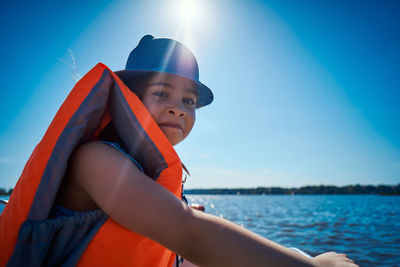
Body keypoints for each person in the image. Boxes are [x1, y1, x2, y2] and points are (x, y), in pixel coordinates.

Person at [0, 35, 358, 267]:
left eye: (188, 100)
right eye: (161, 93)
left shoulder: (144, 173)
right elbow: (188, 231)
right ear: (130, 97)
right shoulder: (95, 159)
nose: (178, 108)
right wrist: (313, 266)